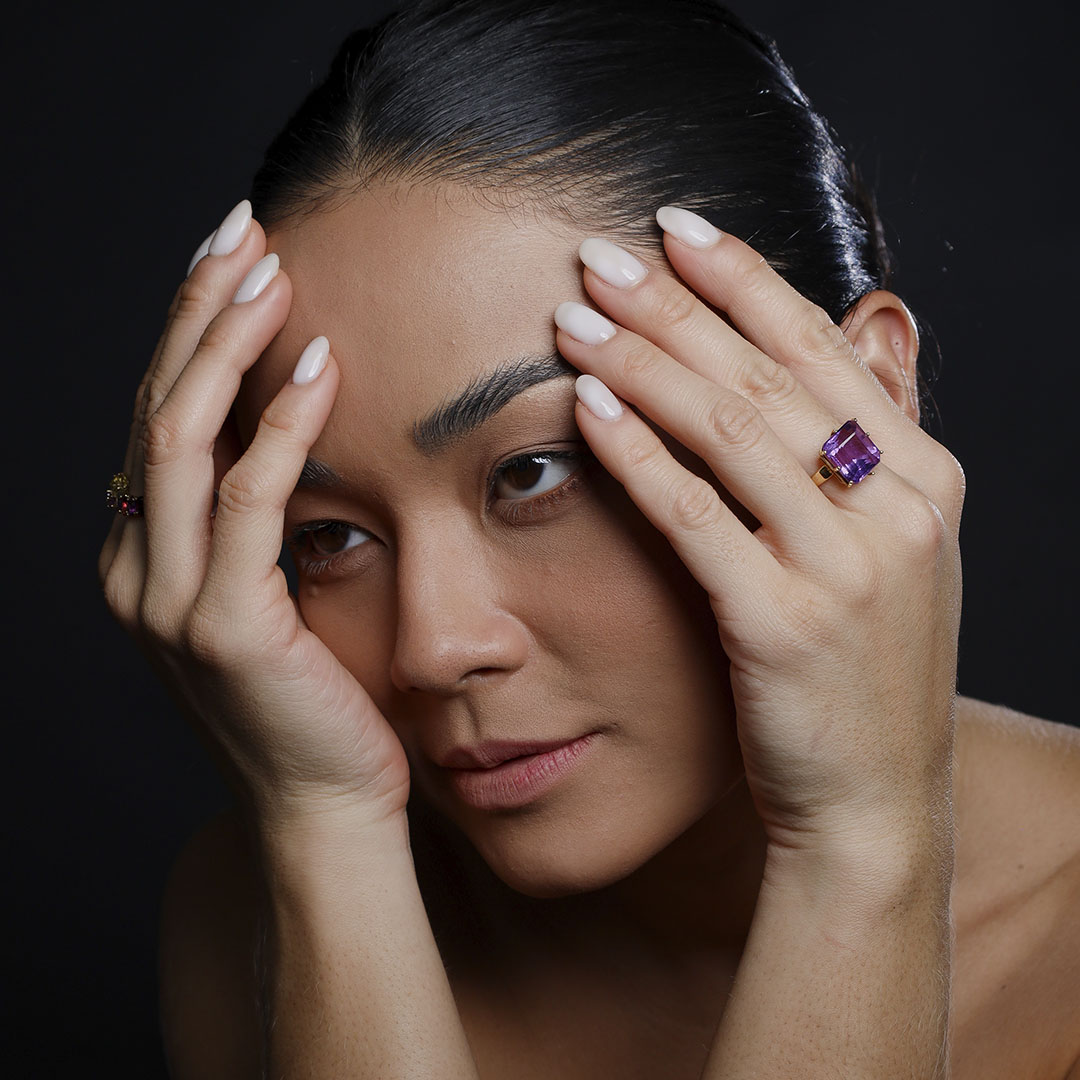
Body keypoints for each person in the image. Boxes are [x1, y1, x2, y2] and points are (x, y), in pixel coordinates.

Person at [98, 1, 1080, 1076]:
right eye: (328, 535)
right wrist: (324, 834)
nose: (432, 649)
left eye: (532, 474)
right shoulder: (264, 908)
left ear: (867, 404)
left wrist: (866, 839)